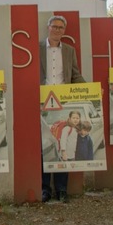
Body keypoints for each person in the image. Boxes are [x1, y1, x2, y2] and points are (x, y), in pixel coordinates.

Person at [39, 15, 85, 203]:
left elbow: (75, 75)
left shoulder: (69, 50)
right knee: (45, 145)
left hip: (65, 102)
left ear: (64, 30)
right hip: (42, 102)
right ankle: (45, 189)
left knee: (62, 144)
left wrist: (89, 90)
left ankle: (61, 189)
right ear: (48, 27)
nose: (57, 30)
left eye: (61, 27)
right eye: (54, 26)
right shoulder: (37, 48)